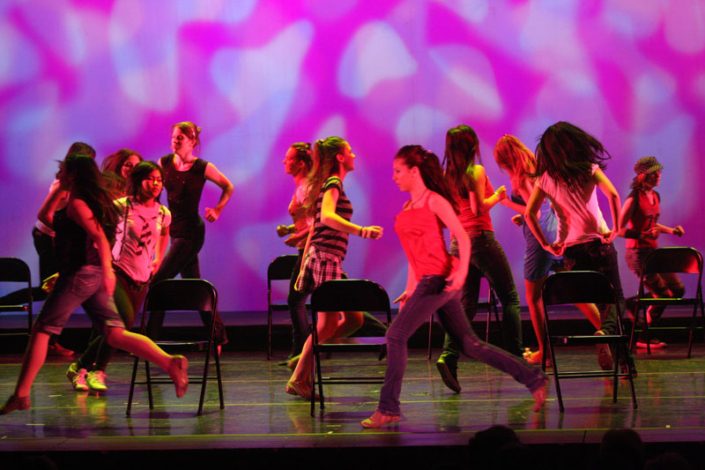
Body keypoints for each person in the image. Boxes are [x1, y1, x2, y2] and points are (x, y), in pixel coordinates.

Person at [361, 145, 546, 428]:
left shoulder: (434, 201)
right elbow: (414, 254)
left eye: (398, 171)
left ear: (414, 171)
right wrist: (410, 288)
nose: (394, 176)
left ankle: (388, 408)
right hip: (430, 280)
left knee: (395, 336)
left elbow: (462, 235)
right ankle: (533, 378)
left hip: (439, 280)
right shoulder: (409, 206)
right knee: (471, 345)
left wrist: (459, 275)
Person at [1, 154, 187, 415]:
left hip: (82, 275)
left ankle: (21, 394)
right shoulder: (84, 200)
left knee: (42, 330)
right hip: (90, 273)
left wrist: (108, 273)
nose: (59, 175)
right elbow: (44, 217)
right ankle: (169, 362)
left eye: (64, 171)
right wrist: (60, 190)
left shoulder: (79, 203)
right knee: (115, 333)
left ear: (74, 175)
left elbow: (98, 237)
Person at [524, 121, 627, 371]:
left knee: (594, 301)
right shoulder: (589, 169)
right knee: (615, 301)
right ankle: (614, 347)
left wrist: (546, 244)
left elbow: (529, 214)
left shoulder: (546, 178)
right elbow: (613, 195)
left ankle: (618, 353)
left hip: (571, 251)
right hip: (599, 244)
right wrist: (616, 229)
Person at [285, 136, 383, 400]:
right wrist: (362, 230)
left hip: (326, 257)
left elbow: (315, 226)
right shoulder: (333, 183)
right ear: (340, 157)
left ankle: (304, 357)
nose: (354, 155)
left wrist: (304, 264)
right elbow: (327, 217)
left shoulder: (331, 183)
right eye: (349, 151)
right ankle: (300, 376)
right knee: (327, 324)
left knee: (354, 319)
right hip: (325, 257)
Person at [493, 135, 601, 365]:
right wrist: (524, 216)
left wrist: (504, 202)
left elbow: (536, 212)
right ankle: (609, 333)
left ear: (505, 160)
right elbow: (543, 206)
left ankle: (545, 354)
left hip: (540, 239)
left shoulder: (521, 177)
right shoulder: (537, 170)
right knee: (574, 290)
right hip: (555, 232)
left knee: (533, 297)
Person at [67, 161, 171, 392]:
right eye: (150, 179)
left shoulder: (163, 213)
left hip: (141, 278)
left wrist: (158, 258)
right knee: (121, 323)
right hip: (117, 272)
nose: (155, 184)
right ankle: (96, 370)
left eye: (159, 180)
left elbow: (165, 233)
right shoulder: (120, 206)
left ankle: (81, 368)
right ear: (138, 181)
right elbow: (98, 235)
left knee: (110, 327)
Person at [436, 124, 523, 394]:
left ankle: (448, 356)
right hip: (479, 239)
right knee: (510, 298)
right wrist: (496, 196)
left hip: (458, 243)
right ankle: (516, 357)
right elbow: (478, 208)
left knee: (467, 305)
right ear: (472, 145)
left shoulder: (446, 176)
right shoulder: (475, 171)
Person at [151, 121, 234, 350]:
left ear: (192, 141)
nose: (175, 141)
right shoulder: (164, 163)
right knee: (195, 285)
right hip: (175, 229)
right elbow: (155, 194)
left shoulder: (202, 167)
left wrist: (217, 209)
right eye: (173, 137)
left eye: (180, 138)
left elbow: (228, 186)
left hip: (192, 232)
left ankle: (149, 338)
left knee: (158, 282)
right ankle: (218, 337)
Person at [32, 142, 98, 358]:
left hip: (53, 238)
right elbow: (45, 215)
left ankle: (50, 340)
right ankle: (49, 341)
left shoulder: (74, 185)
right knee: (52, 287)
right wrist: (63, 232)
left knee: (55, 287)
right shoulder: (62, 184)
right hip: (47, 238)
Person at [620, 156, 685, 349]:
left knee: (677, 290)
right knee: (663, 294)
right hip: (638, 254)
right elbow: (619, 229)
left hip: (653, 252)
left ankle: (634, 304)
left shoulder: (655, 196)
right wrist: (641, 234)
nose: (658, 176)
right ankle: (644, 335)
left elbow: (653, 224)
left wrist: (672, 231)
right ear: (643, 176)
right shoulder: (633, 198)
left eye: (659, 172)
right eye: (654, 173)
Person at [276, 143, 314, 361]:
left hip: (310, 251)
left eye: (289, 158)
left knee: (295, 301)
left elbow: (316, 223)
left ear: (300, 164)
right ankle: (300, 352)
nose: (284, 161)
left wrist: (298, 236)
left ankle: (301, 354)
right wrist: (291, 229)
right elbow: (306, 221)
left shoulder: (306, 188)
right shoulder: (302, 187)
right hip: (305, 249)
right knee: (342, 304)